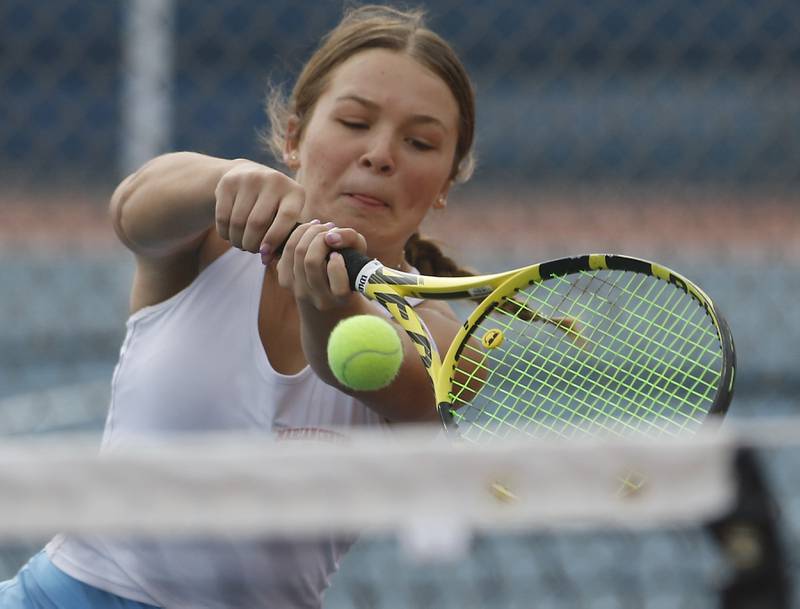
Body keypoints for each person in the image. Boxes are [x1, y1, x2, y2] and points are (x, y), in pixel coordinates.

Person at [0, 4, 478, 608]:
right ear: (295, 138)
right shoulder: (209, 243)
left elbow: (372, 374)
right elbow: (133, 209)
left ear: (445, 185)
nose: (381, 154)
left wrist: (329, 302)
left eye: (419, 142)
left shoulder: (440, 336)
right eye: (355, 122)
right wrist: (224, 179)